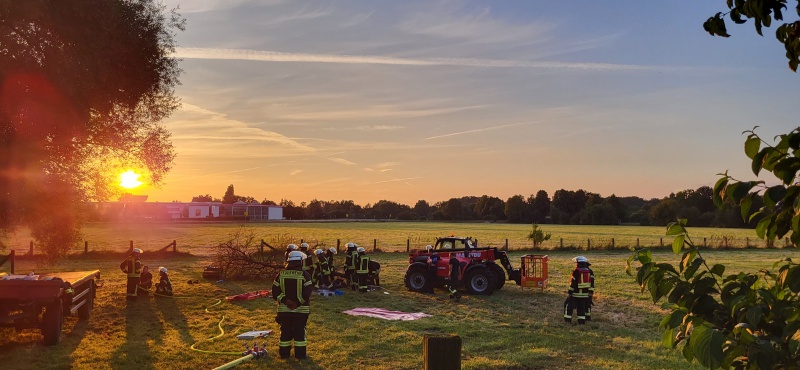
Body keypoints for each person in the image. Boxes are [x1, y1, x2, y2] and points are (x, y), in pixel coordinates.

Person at [272, 250, 313, 360]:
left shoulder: (280, 274)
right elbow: (307, 292)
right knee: (300, 333)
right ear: (300, 261)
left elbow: (275, 292)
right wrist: (297, 303)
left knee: (285, 332)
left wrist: (286, 301)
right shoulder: (305, 275)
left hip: (284, 311)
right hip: (301, 311)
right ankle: (300, 356)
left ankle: (284, 354)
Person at [564, 256, 594, 325]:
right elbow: (592, 284)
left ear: (578, 263)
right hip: (584, 295)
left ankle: (567, 321)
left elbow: (573, 283)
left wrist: (570, 292)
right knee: (581, 308)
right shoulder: (590, 272)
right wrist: (590, 293)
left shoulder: (576, 271)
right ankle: (581, 322)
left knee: (568, 306)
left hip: (575, 294)